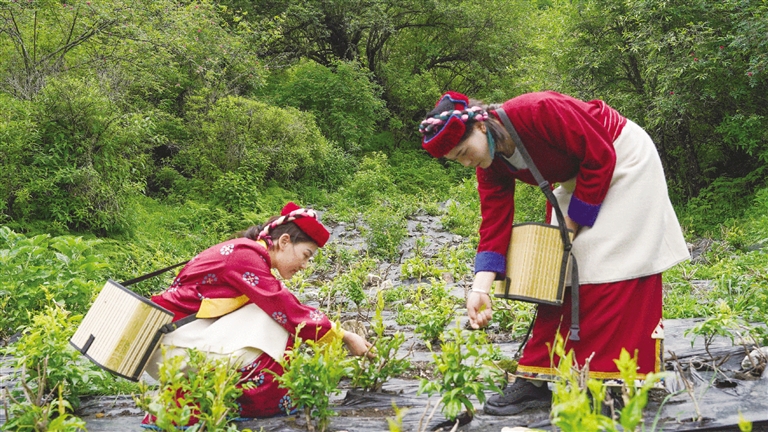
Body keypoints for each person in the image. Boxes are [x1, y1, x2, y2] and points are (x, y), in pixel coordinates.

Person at [419, 91, 690, 416]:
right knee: (558, 275)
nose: (466, 162)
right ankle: (537, 377)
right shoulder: (491, 165)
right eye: (457, 160)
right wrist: (481, 289)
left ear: (480, 125)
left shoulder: (537, 110)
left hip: (622, 158)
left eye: (464, 152)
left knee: (613, 265)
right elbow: (494, 224)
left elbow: (599, 154)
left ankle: (613, 381)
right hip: (581, 176)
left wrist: (569, 230)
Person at [141, 202, 372, 427]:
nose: (305, 265)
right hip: (171, 347)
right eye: (306, 255)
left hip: (174, 340)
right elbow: (287, 310)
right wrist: (344, 336)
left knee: (266, 315)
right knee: (275, 321)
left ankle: (194, 403)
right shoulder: (245, 257)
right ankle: (253, 406)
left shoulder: (246, 253)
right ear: (284, 241)